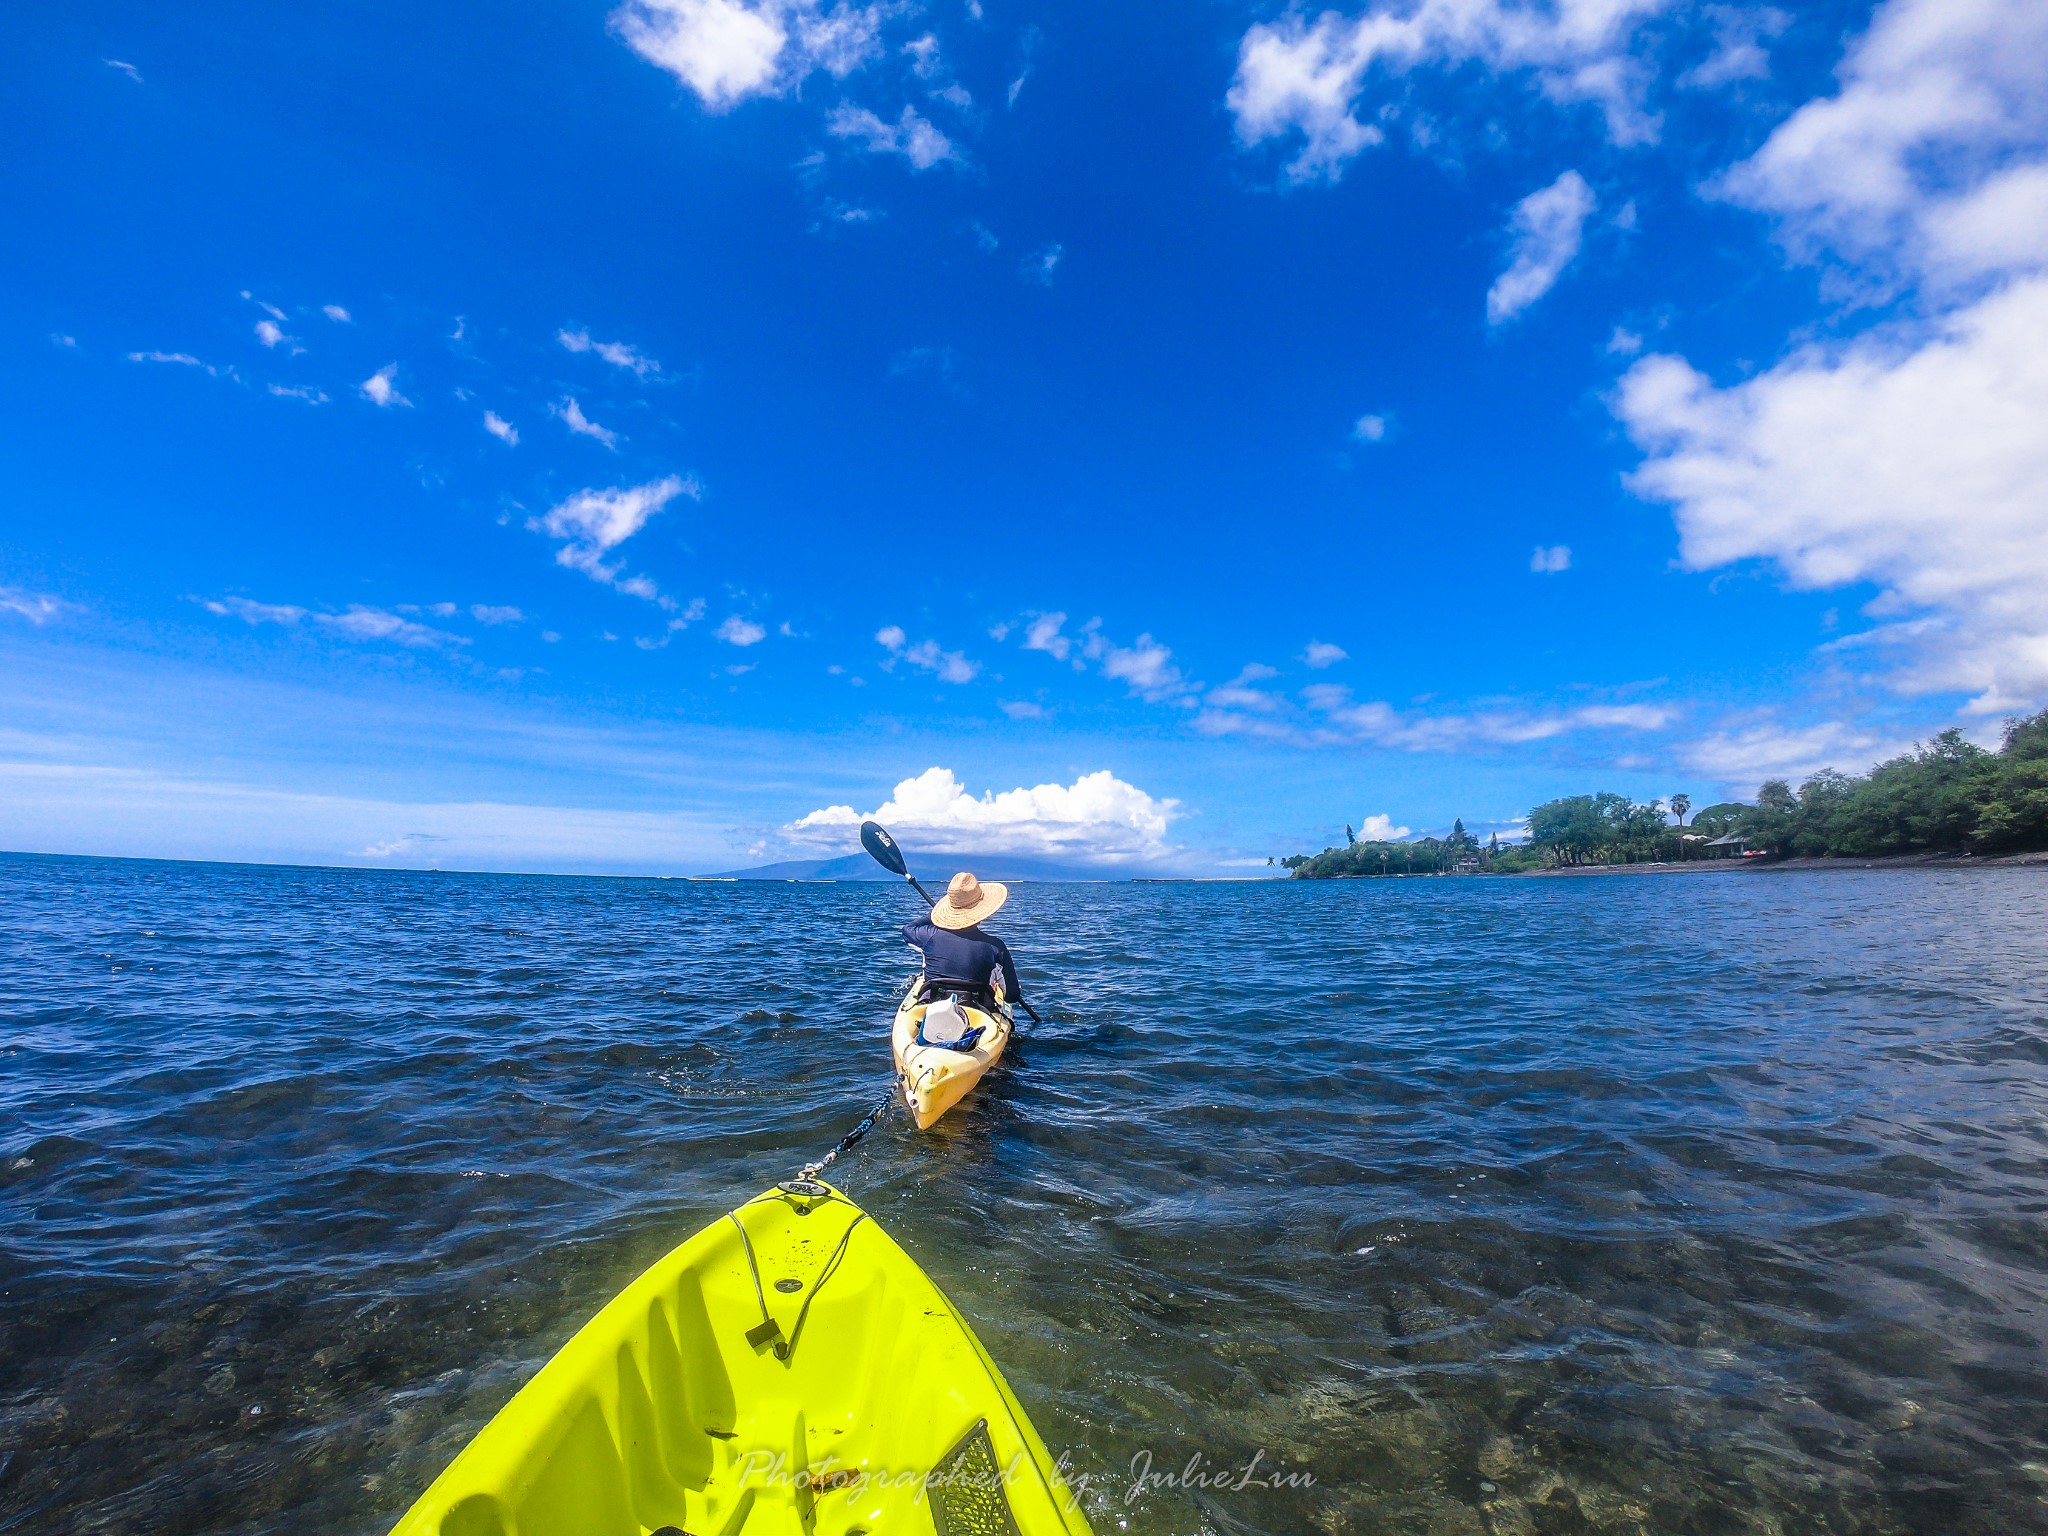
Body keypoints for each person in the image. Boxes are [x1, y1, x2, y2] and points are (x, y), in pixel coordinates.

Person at [901, 871, 1022, 1008]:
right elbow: (1012, 996)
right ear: (982, 913)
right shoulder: (995, 947)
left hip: (933, 1006)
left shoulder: (929, 937)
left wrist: (934, 915)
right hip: (977, 1012)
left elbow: (908, 929)